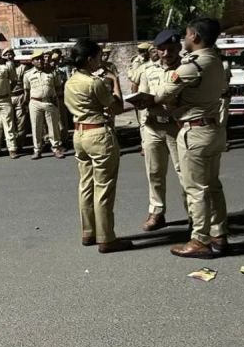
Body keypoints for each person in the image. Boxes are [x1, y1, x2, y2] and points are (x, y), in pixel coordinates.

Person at [140, 19, 228, 259]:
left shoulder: (192, 65)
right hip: (212, 129)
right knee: (213, 186)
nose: (185, 38)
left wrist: (153, 101)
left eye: (187, 34)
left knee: (196, 189)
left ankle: (200, 240)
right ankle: (219, 234)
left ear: (195, 36)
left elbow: (161, 95)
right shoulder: (215, 60)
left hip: (194, 131)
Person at [64, 39, 131, 253]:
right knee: (103, 188)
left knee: (86, 185)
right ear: (90, 59)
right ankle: (106, 238)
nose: (101, 60)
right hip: (98, 134)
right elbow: (116, 107)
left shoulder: (70, 81)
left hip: (80, 134)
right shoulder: (94, 82)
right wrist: (115, 82)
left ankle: (88, 232)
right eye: (99, 56)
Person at [136, 29, 186, 232]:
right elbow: (142, 95)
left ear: (179, 48)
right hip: (153, 126)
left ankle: (194, 214)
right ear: (156, 50)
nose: (167, 54)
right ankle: (156, 211)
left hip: (177, 127)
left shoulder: (186, 69)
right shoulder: (148, 70)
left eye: (171, 49)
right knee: (154, 172)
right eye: (163, 49)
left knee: (184, 173)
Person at [24, 50, 65, 160]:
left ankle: (56, 148)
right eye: (37, 59)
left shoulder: (52, 72)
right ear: (32, 62)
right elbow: (26, 90)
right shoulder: (28, 74)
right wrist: (26, 103)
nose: (40, 61)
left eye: (41, 59)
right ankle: (37, 150)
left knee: (53, 127)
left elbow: (58, 88)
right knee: (36, 127)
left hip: (49, 101)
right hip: (35, 102)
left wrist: (57, 102)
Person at [4, 48, 29, 149]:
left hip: (19, 95)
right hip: (7, 97)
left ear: (14, 56)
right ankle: (11, 143)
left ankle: (20, 142)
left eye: (10, 54)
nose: (9, 57)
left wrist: (26, 98)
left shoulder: (22, 67)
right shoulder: (2, 68)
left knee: (21, 120)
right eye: (6, 55)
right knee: (8, 121)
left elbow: (26, 84)